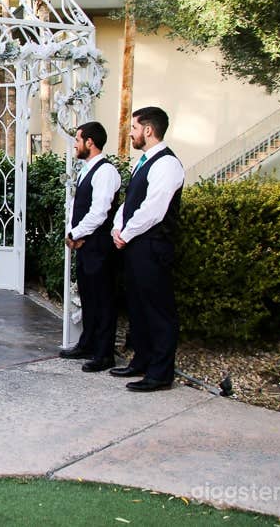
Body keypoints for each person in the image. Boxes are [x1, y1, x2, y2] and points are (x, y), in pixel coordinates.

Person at [110, 107, 184, 392]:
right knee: (138, 307)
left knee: (158, 310)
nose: (130, 132)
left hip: (153, 246)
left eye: (134, 127)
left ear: (148, 130)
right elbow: (131, 202)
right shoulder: (144, 161)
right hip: (135, 244)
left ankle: (160, 373)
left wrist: (126, 233)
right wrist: (118, 227)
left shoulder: (167, 164)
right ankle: (141, 360)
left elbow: (153, 209)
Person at [61, 121, 121, 373]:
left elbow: (100, 211)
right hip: (86, 244)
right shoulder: (88, 169)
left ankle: (104, 353)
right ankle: (87, 343)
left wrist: (76, 233)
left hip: (99, 245)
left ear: (90, 142)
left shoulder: (106, 172)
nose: (75, 143)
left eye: (77, 139)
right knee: (88, 296)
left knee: (103, 299)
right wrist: (73, 235)